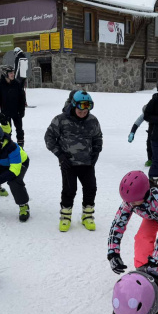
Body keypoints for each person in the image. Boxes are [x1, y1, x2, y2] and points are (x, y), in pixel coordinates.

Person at [108, 171, 158, 275]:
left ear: (144, 193)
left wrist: (155, 262)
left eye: (134, 201)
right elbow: (118, 224)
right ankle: (142, 269)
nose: (131, 204)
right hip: (152, 215)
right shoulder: (130, 201)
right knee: (142, 238)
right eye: (128, 201)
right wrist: (113, 253)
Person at [45, 90, 103, 232]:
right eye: (80, 110)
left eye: (86, 110)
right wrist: (60, 155)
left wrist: (95, 153)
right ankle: (65, 217)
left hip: (87, 163)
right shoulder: (61, 120)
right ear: (73, 105)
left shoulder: (92, 120)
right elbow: (49, 138)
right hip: (68, 163)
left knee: (91, 188)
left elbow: (97, 138)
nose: (83, 113)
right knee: (69, 190)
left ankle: (87, 216)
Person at [0, 124, 31, 222]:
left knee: (14, 181)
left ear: (0, 139)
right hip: (0, 163)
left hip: (20, 163)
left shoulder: (12, 147)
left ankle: (23, 205)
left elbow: (14, 171)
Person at [0, 65, 26, 147]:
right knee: (7, 131)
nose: (13, 74)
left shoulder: (17, 83)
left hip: (16, 111)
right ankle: (8, 147)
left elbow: (22, 98)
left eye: (13, 72)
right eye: (10, 73)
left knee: (19, 130)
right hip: (5, 112)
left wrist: (22, 110)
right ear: (5, 74)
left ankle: (20, 147)